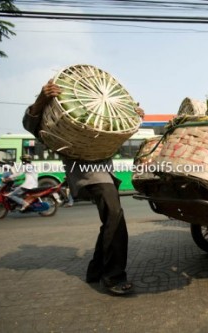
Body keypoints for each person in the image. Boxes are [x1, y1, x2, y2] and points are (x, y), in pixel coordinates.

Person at [22, 79, 140, 296]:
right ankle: (113, 276)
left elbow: (115, 136)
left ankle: (95, 270)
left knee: (111, 220)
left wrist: (133, 117)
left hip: (105, 172)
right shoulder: (60, 108)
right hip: (86, 172)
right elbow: (31, 126)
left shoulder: (100, 112)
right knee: (114, 216)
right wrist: (41, 99)